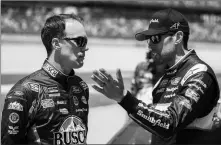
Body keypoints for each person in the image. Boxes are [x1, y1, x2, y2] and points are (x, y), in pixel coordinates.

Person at [91, 8, 221, 144]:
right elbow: (157, 127)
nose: (149, 45)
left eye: (155, 38)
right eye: (148, 39)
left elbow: (169, 123)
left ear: (178, 37)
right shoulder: (163, 80)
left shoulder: (199, 74)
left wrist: (124, 98)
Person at [1, 14, 90, 145]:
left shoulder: (81, 86)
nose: (85, 48)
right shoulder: (24, 92)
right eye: (80, 41)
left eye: (86, 42)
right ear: (56, 43)